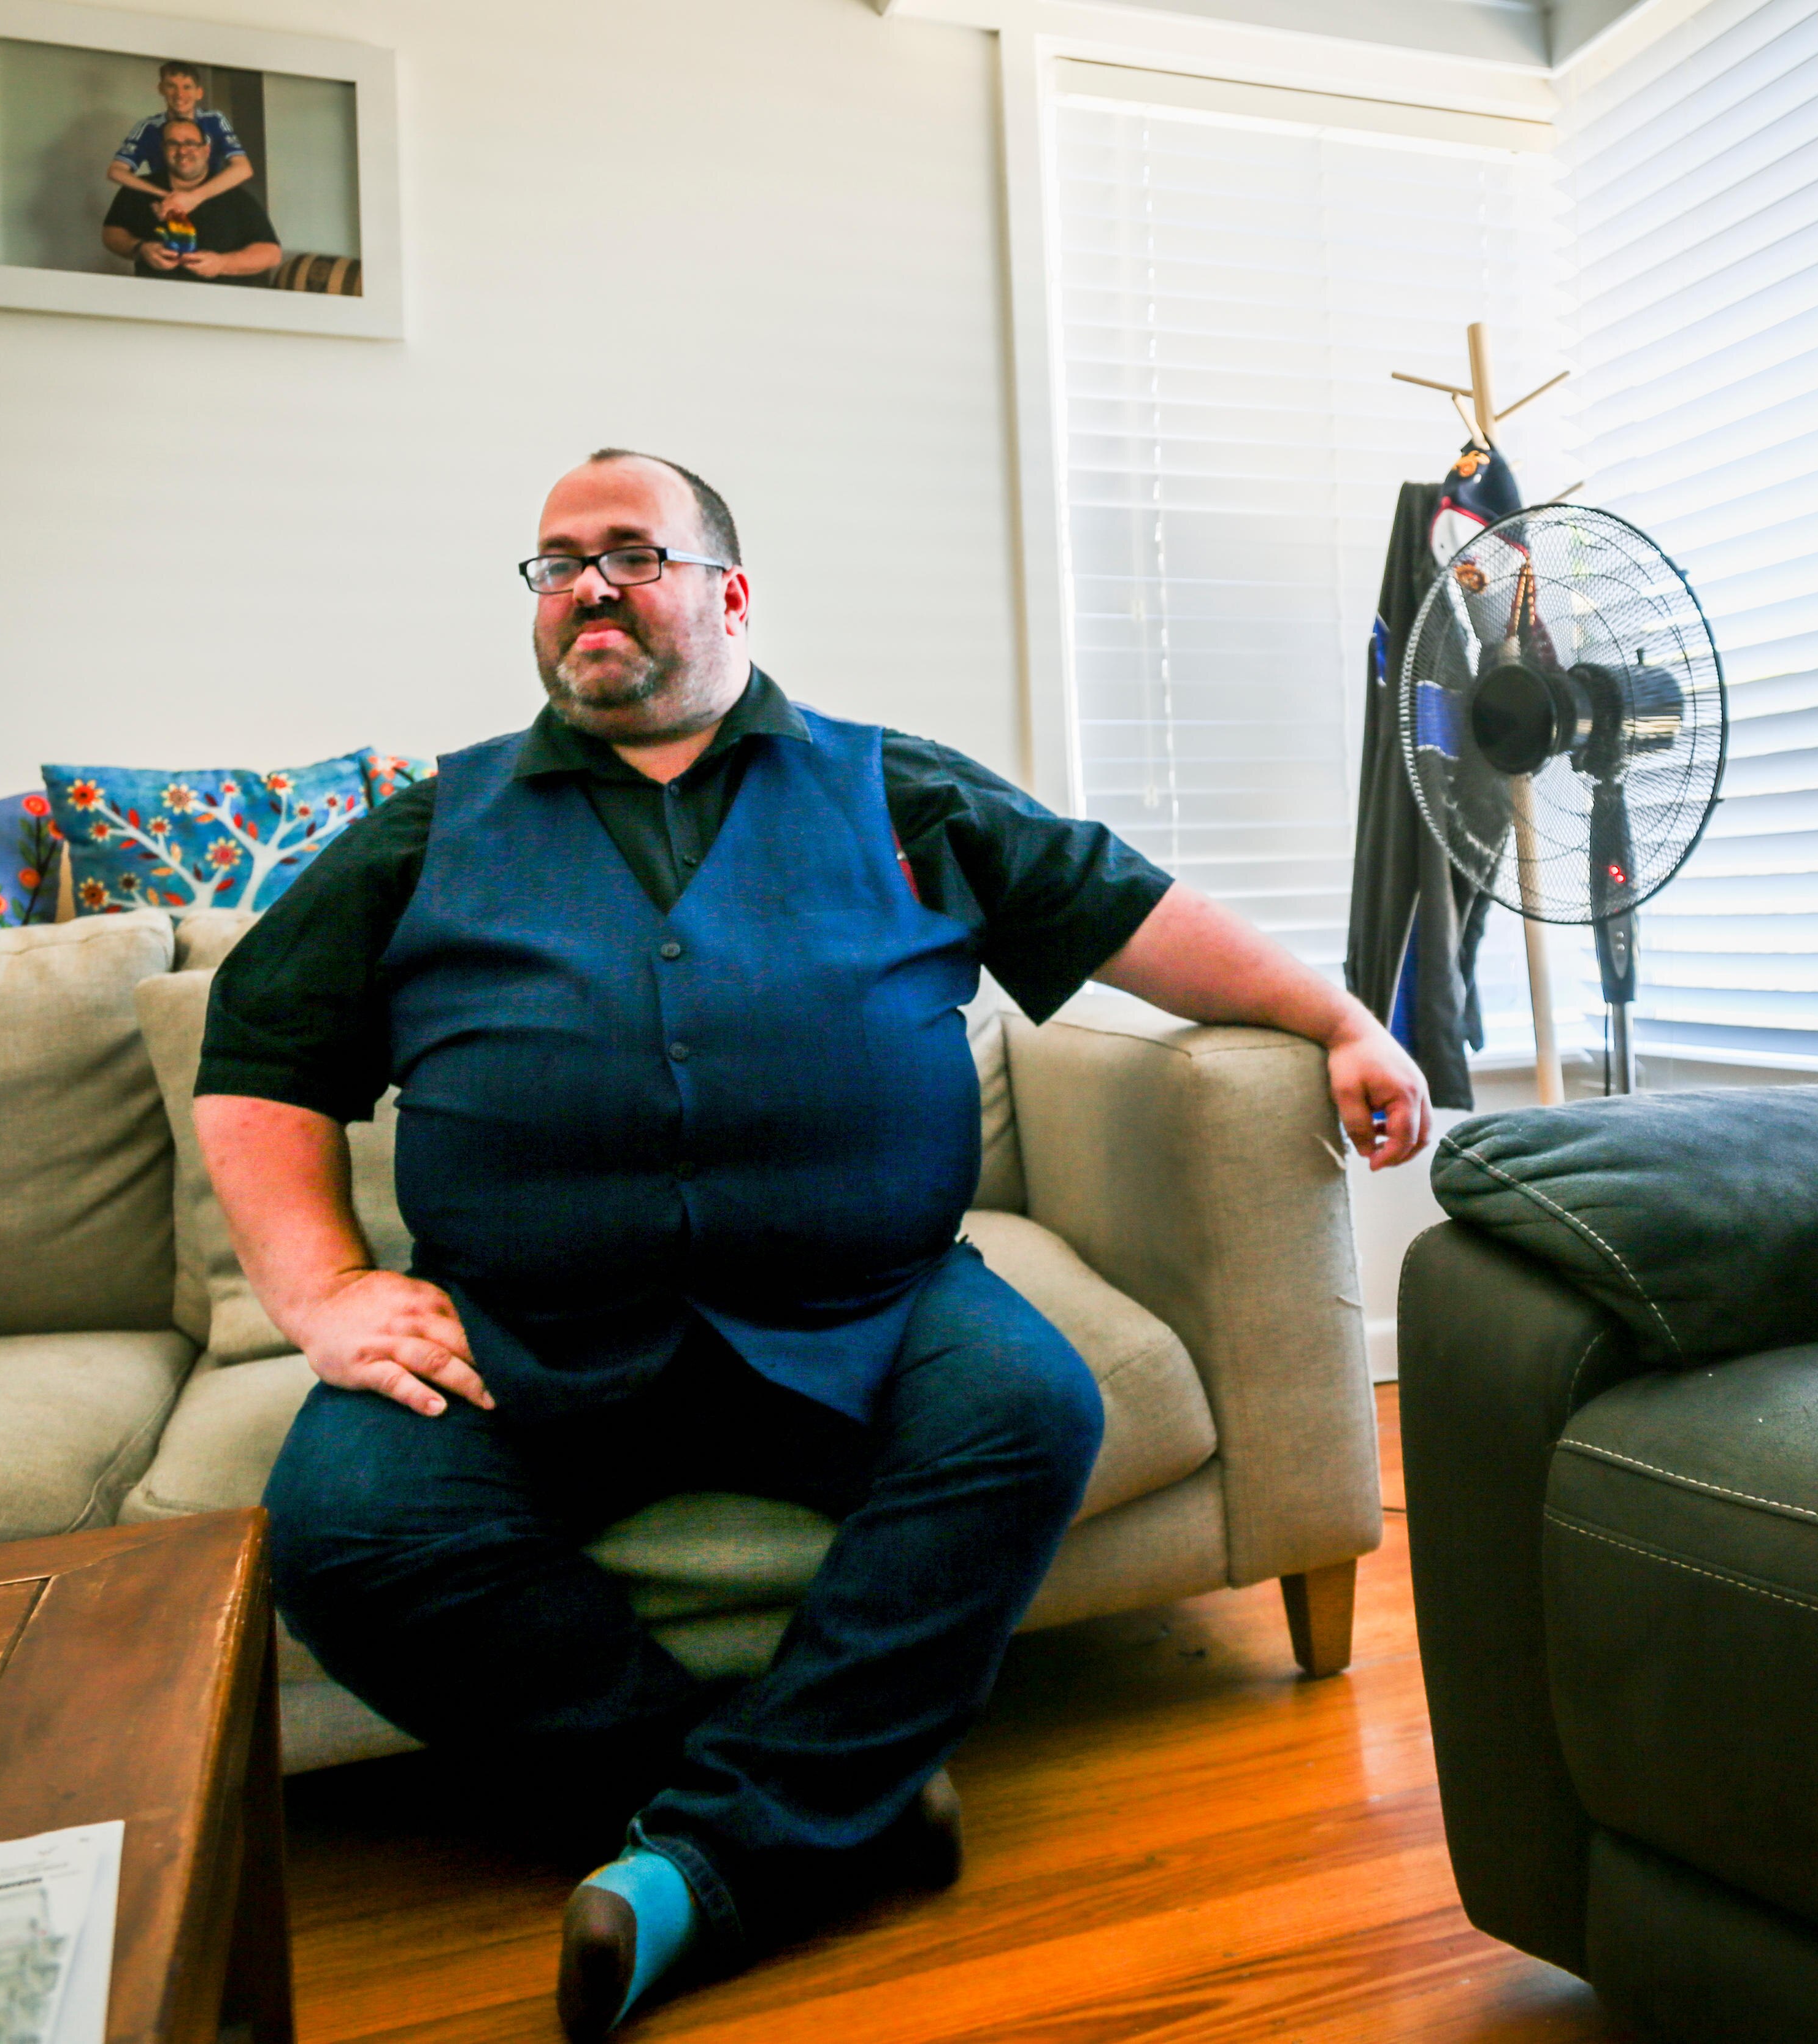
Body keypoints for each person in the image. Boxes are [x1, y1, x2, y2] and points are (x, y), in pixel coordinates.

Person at [194, 450, 1432, 2042]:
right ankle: (811, 1816)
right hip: (526, 1333)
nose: (587, 582)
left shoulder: (897, 788)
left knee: (1033, 1407)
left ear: (730, 591)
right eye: (557, 560)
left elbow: (1128, 914)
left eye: (633, 551)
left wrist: (1332, 1016)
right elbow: (263, 1058)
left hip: (871, 1304)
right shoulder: (430, 829)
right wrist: (321, 1287)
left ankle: (705, 1859)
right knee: (345, 1526)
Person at [99, 117, 280, 285]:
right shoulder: (139, 189)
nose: (183, 151)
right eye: (173, 144)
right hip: (154, 302)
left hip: (221, 305)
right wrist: (140, 249)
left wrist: (222, 264)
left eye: (191, 143)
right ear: (164, 150)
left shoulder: (235, 196)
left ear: (207, 150)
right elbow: (112, 233)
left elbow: (271, 253)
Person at [105, 60, 253, 220]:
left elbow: (243, 169)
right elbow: (116, 171)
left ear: (199, 93)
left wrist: (194, 198)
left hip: (211, 200)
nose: (179, 94)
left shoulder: (215, 120)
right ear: (161, 89)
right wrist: (165, 194)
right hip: (168, 205)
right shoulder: (149, 127)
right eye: (171, 86)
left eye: (187, 87)